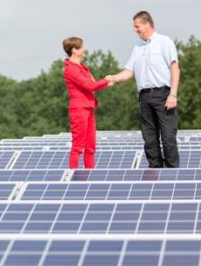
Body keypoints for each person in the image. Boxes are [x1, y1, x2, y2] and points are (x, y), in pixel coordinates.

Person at [106, 11, 180, 167]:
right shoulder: (138, 47)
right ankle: (156, 173)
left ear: (147, 24)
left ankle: (173, 175)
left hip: (163, 95)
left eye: (137, 26)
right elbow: (129, 72)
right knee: (149, 139)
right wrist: (114, 77)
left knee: (168, 138)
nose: (135, 30)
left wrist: (173, 94)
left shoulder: (164, 42)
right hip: (144, 98)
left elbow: (175, 68)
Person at [62, 37, 112, 169]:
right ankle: (73, 177)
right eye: (81, 47)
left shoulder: (82, 67)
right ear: (74, 50)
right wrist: (106, 80)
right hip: (79, 109)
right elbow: (89, 86)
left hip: (89, 108)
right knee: (78, 146)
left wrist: (104, 83)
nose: (84, 50)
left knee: (90, 147)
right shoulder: (71, 69)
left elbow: (93, 84)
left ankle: (90, 175)